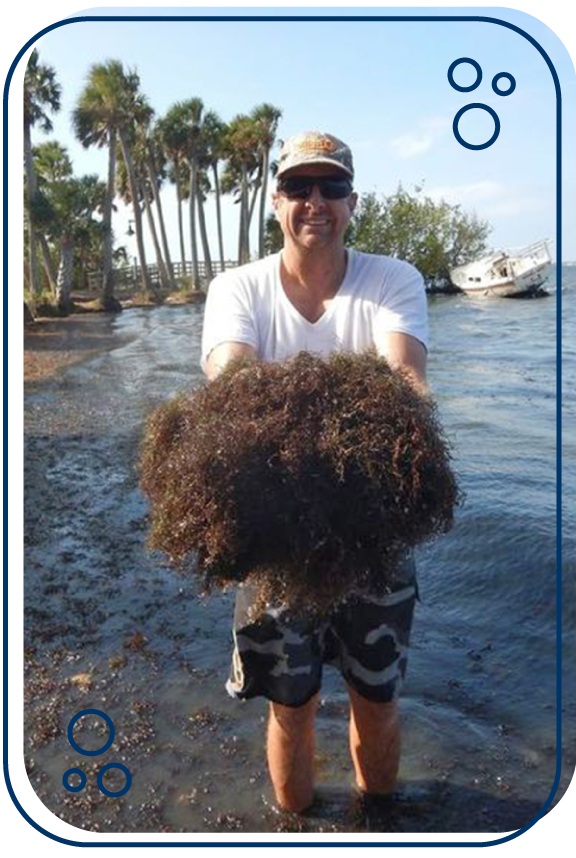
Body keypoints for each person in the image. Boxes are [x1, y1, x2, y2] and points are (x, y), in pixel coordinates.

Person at [200, 131, 429, 816]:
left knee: (376, 702)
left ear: (351, 202)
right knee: (290, 711)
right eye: (299, 188)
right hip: (275, 545)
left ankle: (377, 820)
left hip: (374, 538)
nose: (315, 202)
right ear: (276, 202)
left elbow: (406, 383)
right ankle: (294, 826)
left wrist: (309, 419)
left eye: (331, 188)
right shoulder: (236, 288)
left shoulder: (393, 279)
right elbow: (230, 380)